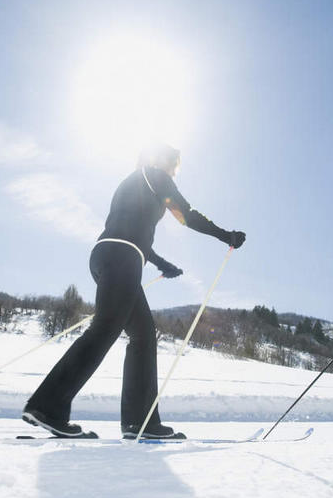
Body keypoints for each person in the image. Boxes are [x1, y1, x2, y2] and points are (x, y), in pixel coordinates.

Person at [23, 143, 246, 439]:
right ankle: (47, 406)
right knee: (104, 330)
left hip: (110, 255)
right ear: (164, 161)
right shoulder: (156, 175)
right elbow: (186, 215)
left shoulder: (132, 183)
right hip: (123, 258)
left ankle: (140, 424)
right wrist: (225, 235)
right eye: (175, 166)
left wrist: (162, 264)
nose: (174, 172)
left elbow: (132, 231)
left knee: (143, 336)